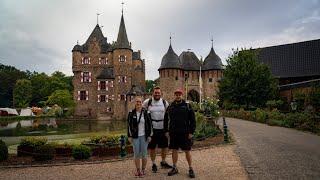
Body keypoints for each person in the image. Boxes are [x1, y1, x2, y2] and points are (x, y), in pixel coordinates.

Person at [164, 88, 196, 178]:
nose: (178, 96)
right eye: (176, 94)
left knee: (187, 151)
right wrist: (166, 130)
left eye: (179, 94)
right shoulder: (170, 106)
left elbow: (193, 120)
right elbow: (166, 119)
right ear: (175, 95)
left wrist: (191, 132)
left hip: (185, 132)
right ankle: (174, 167)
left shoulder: (187, 106)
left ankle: (190, 168)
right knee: (174, 150)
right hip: (173, 132)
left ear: (182, 95)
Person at [143, 86, 172, 173]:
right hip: (152, 129)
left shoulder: (164, 102)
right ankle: (153, 163)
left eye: (158, 93)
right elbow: (141, 113)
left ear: (161, 94)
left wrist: (168, 129)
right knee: (152, 147)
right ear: (153, 93)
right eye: (155, 93)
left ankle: (163, 161)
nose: (157, 94)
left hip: (162, 128)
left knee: (165, 147)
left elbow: (169, 115)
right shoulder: (147, 102)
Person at [127, 97, 153, 177]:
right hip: (135, 137)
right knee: (136, 154)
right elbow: (128, 126)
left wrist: (150, 135)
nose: (138, 104)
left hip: (144, 136)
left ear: (142, 103)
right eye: (137, 102)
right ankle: (138, 170)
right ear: (135, 103)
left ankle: (143, 169)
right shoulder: (131, 113)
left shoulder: (146, 112)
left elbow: (150, 125)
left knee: (144, 154)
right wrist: (129, 136)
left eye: (140, 102)